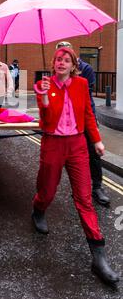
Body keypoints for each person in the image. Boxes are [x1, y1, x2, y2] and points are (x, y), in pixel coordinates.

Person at [32, 47, 119, 286]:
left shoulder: (81, 84)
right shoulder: (44, 85)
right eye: (58, 59)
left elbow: (89, 114)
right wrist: (45, 99)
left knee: (84, 198)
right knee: (47, 191)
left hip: (78, 144)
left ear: (73, 65)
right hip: (53, 143)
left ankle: (98, 256)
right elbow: (46, 121)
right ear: (53, 63)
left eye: (66, 59)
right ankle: (38, 208)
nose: (61, 62)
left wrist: (97, 140)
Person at [55, 41, 110, 207]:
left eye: (66, 55)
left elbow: (84, 95)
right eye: (59, 56)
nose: (62, 60)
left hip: (85, 117)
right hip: (64, 121)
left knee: (93, 154)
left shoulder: (86, 69)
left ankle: (97, 187)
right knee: (69, 157)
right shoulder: (56, 70)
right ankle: (79, 188)